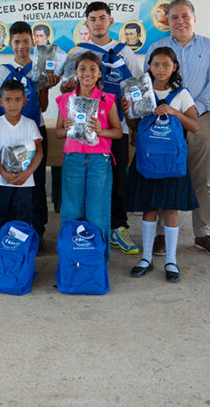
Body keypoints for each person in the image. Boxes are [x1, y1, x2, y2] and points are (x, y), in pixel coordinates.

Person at [62, 2, 144, 255]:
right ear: (86, 23)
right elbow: (67, 87)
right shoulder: (77, 53)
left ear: (110, 21)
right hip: (82, 131)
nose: (97, 23)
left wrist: (132, 112)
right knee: (82, 185)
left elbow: (137, 86)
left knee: (118, 180)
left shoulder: (124, 52)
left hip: (116, 128)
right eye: (92, 19)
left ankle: (118, 227)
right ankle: (82, 232)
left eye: (102, 18)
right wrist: (64, 87)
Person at [147, 0, 210, 257]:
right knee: (163, 175)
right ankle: (161, 234)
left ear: (194, 19)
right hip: (163, 120)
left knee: (202, 179)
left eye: (184, 16)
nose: (179, 21)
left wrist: (189, 111)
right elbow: (149, 83)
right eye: (174, 17)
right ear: (167, 22)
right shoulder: (157, 47)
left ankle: (202, 233)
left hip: (200, 118)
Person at [123, 46, 199, 282]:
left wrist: (175, 112)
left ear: (174, 67)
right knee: (149, 209)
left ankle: (171, 260)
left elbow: (194, 126)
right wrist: (127, 113)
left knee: (170, 210)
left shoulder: (182, 94)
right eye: (156, 64)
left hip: (171, 162)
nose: (161, 69)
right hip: (147, 161)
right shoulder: (141, 91)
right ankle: (146, 257)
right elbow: (136, 127)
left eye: (166, 65)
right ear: (149, 67)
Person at [0, 21, 58, 249]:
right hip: (7, 133)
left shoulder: (40, 68)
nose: (21, 46)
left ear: (33, 43)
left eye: (26, 41)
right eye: (17, 42)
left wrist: (46, 88)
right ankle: (9, 232)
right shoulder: (3, 70)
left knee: (35, 183)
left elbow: (43, 106)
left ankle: (37, 232)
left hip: (33, 131)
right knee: (9, 182)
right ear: (10, 44)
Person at [55, 50, 123, 263]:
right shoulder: (66, 100)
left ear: (100, 73)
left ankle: (98, 261)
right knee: (71, 209)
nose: (87, 73)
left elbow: (118, 132)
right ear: (75, 72)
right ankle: (69, 259)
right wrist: (66, 128)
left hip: (99, 161)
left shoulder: (106, 99)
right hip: (73, 160)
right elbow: (58, 133)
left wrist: (101, 131)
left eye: (93, 69)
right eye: (82, 69)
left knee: (98, 211)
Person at [0, 79, 44, 234]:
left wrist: (26, 174)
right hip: (0, 181)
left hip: (24, 182)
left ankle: (20, 249)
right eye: (8, 100)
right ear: (0, 101)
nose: (13, 104)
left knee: (22, 221)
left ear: (24, 101)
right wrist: (3, 173)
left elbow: (39, 152)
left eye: (18, 99)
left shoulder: (30, 124)